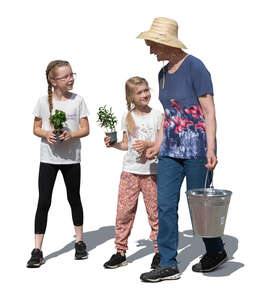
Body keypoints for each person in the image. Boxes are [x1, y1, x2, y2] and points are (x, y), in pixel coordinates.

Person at [137, 17, 228, 282]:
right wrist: (157, 143)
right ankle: (168, 263)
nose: (151, 50)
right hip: (170, 151)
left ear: (167, 43)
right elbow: (169, 114)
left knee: (199, 206)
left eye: (153, 45)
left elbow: (209, 111)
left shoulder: (195, 67)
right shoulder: (162, 74)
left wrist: (211, 148)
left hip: (198, 150)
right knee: (165, 205)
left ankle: (216, 250)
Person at [27, 60, 90, 268]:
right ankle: (37, 249)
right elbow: (36, 127)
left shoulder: (78, 100)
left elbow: (85, 129)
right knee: (44, 201)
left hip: (72, 159)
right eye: (66, 76)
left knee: (74, 198)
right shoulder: (43, 102)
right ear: (53, 81)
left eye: (72, 74)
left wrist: (71, 134)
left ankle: (79, 242)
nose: (71, 79)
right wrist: (47, 134)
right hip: (48, 160)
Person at [103, 77, 163, 269]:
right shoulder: (127, 116)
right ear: (131, 97)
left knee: (155, 213)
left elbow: (164, 146)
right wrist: (114, 145)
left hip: (151, 172)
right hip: (129, 171)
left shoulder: (158, 116)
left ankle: (159, 250)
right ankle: (120, 252)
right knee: (124, 212)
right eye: (140, 92)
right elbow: (126, 144)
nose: (145, 94)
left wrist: (148, 145)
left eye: (146, 90)